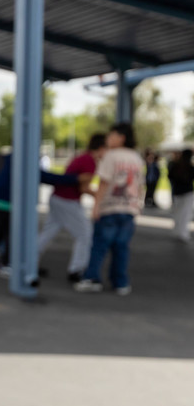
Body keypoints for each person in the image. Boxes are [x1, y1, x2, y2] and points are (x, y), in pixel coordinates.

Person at [0, 152, 77, 278]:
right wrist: (74, 179)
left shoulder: (11, 157)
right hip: (4, 202)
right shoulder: (25, 160)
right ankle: (6, 264)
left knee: (0, 232)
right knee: (10, 233)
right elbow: (44, 176)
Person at [75, 123, 144, 295]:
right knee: (121, 247)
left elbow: (103, 183)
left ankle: (92, 278)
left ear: (121, 137)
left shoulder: (111, 156)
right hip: (129, 208)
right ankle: (120, 283)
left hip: (110, 207)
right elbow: (140, 185)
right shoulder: (137, 158)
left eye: (111, 135)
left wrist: (96, 206)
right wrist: (137, 205)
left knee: (99, 245)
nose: (108, 139)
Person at [36, 133, 106, 282]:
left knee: (49, 232)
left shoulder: (84, 157)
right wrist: (101, 196)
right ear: (101, 148)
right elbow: (83, 187)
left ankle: (28, 261)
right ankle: (76, 270)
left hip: (59, 198)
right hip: (67, 200)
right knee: (85, 234)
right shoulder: (89, 160)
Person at [167, 148, 193, 243]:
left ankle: (178, 230)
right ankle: (183, 232)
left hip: (177, 192)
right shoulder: (189, 167)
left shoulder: (176, 165)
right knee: (185, 214)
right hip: (187, 192)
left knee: (178, 212)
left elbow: (169, 176)